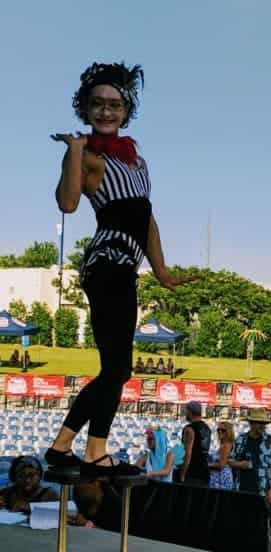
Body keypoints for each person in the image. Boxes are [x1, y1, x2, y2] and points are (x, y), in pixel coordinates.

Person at [46, 62, 194, 478]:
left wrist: (162, 272)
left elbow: (146, 220)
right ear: (85, 108)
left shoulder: (137, 162)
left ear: (126, 111)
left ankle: (66, 447)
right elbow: (68, 202)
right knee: (117, 369)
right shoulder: (88, 155)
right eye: (97, 104)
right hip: (107, 264)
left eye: (114, 105)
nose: (106, 112)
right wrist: (73, 151)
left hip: (125, 267)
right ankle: (90, 451)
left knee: (117, 369)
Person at [229, 407, 271, 503]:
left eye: (264, 423)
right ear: (251, 423)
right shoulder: (240, 439)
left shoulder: (270, 441)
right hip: (241, 488)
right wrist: (240, 464)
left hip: (262, 490)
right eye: (259, 423)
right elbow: (230, 461)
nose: (262, 426)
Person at [178, 401, 211, 486]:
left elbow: (187, 453)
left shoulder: (189, 429)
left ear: (190, 412)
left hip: (192, 473)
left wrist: (182, 475)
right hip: (204, 472)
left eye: (186, 411)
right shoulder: (207, 428)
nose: (185, 413)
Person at [209, 421, 235, 490]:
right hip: (217, 477)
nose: (220, 431)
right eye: (218, 430)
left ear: (228, 432)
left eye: (223, 430)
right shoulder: (223, 445)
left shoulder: (226, 445)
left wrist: (206, 465)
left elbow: (221, 465)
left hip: (221, 478)